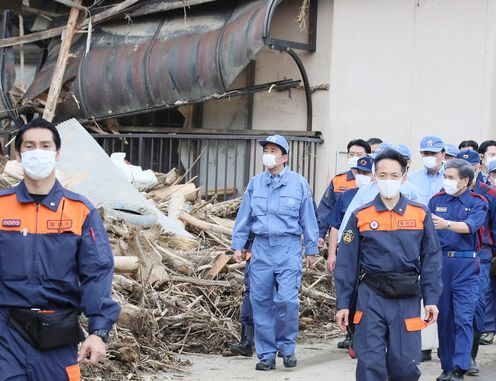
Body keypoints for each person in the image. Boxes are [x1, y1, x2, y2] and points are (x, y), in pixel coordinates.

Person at [0, 118, 121, 380]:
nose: (37, 152)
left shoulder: (80, 210)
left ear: (58, 154)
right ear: (19, 154)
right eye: (29, 146)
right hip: (6, 334)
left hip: (57, 334)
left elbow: (97, 272)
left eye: (45, 146)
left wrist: (98, 332)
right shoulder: (2, 206)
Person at [335, 149, 442, 381]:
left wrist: (431, 298)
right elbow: (346, 263)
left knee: (405, 364)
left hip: (407, 296)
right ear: (375, 176)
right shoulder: (360, 215)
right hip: (371, 296)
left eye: (394, 175)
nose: (388, 181)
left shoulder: (420, 214)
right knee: (369, 362)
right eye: (383, 175)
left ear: (404, 177)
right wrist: (343, 303)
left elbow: (432, 259)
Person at [231, 134, 319, 371]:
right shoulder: (256, 183)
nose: (268, 154)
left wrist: (311, 249)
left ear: (285, 157)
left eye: (273, 150)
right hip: (261, 248)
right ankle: (267, 354)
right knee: (260, 301)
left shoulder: (299, 183)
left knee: (287, 300)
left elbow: (308, 218)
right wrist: (238, 245)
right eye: (266, 149)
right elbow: (245, 217)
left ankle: (287, 348)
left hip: (288, 247)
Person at [428, 159, 488, 381]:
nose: (447, 181)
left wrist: (446, 224)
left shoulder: (477, 202)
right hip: (441, 265)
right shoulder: (436, 201)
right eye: (445, 176)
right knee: (444, 319)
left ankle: (459, 367)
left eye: (451, 177)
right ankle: (446, 366)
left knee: (463, 318)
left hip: (466, 266)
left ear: (465, 180)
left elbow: (470, 226)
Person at [455, 150, 496, 375]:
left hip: (480, 254)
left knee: (476, 305)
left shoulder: (489, 193)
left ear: (479, 167)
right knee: (452, 307)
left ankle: (469, 355)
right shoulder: (443, 195)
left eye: (471, 166)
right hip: (450, 256)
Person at [316, 139, 371, 245]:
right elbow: (326, 208)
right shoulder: (338, 180)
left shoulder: (372, 180)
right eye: (352, 154)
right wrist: (320, 234)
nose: (355, 157)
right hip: (340, 234)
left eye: (359, 154)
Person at [409, 136, 446, 205]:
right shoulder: (411, 178)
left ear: (443, 155)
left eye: (433, 153)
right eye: (426, 153)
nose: (429, 156)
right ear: (421, 154)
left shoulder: (451, 177)